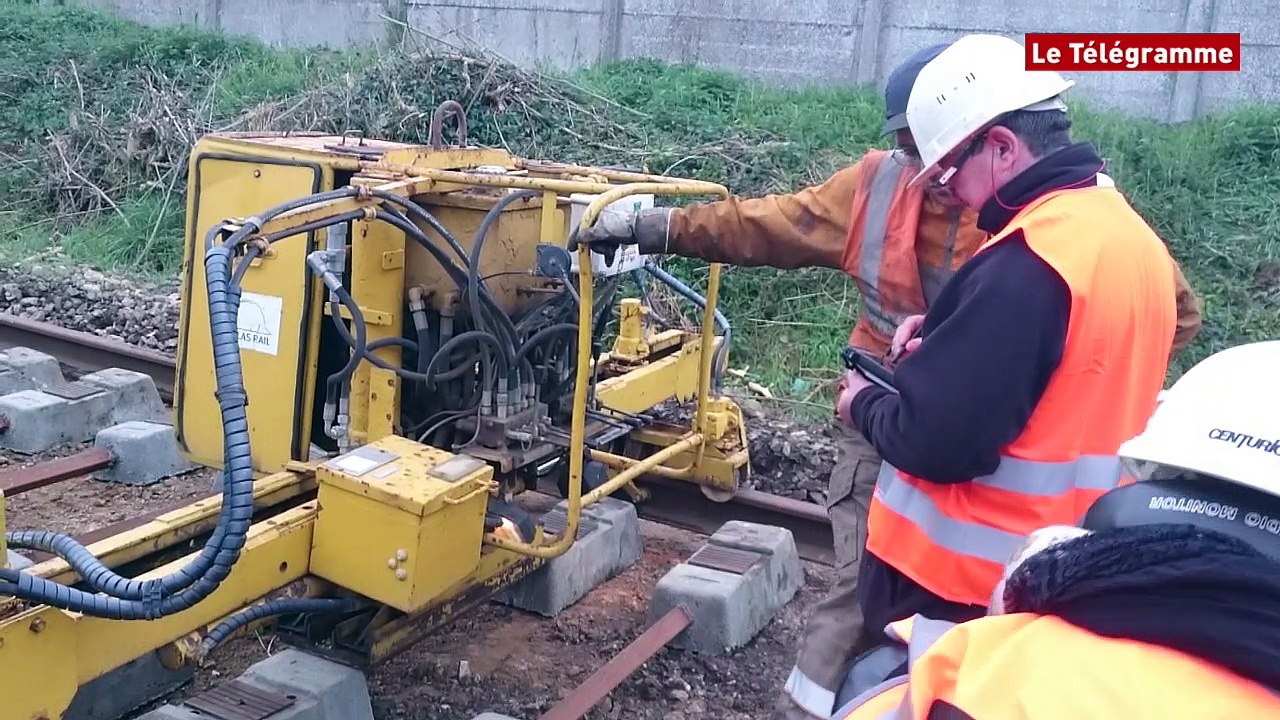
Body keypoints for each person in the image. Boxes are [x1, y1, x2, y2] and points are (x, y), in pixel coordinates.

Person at [578, 40, 1204, 719]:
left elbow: (1142, 318)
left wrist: (1029, 375)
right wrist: (654, 227)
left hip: (964, 465)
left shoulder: (1044, 244)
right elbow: (772, 224)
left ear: (998, 145)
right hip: (904, 426)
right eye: (913, 154)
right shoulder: (1043, 215)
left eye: (941, 163)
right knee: (866, 585)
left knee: (942, 628)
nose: (929, 178)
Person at [835, 32, 1195, 655]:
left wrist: (861, 403)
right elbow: (1063, 370)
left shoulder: (1028, 263)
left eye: (948, 174)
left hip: (963, 598)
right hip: (1061, 571)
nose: (951, 196)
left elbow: (937, 443)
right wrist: (952, 336)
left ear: (1002, 146)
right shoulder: (1127, 237)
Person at [832, 339, 1280, 719]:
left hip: (964, 585)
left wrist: (868, 402)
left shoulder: (958, 669)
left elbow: (939, 441)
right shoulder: (1148, 274)